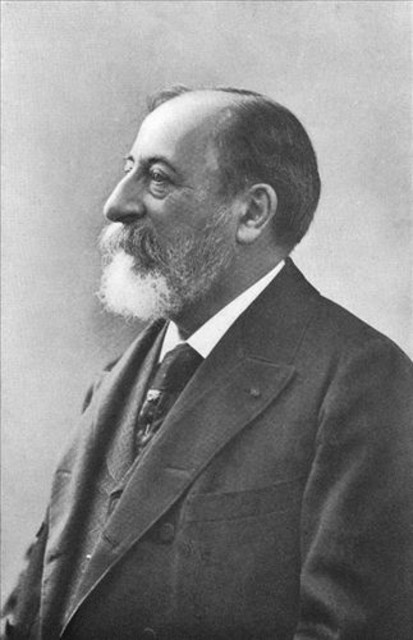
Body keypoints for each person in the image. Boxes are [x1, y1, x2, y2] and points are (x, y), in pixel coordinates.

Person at [2, 86, 413, 640]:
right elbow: (32, 610)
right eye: (129, 169)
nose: (117, 204)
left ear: (252, 213)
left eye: (158, 179)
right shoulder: (116, 380)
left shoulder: (361, 382)